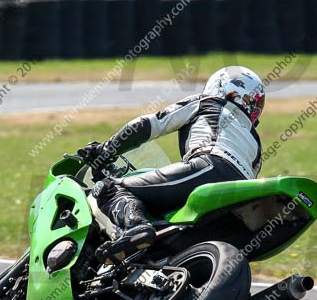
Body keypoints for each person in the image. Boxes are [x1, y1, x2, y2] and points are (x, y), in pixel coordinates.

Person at [80, 66, 265, 260]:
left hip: (210, 166)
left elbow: (148, 125)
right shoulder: (256, 143)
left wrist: (106, 149)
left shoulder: (208, 102)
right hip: (241, 193)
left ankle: (136, 228)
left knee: (110, 189)